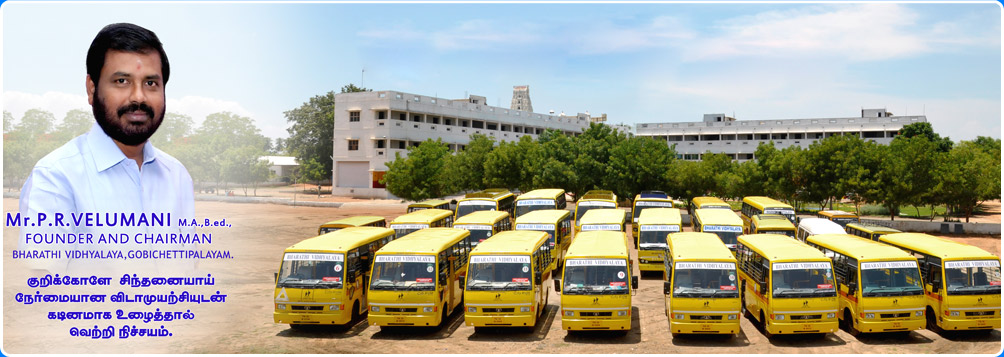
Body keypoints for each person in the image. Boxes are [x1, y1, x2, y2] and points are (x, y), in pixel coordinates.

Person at [18, 23, 195, 275]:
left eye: (151, 83)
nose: (139, 97)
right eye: (122, 81)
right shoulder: (55, 178)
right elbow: (44, 300)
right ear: (92, 89)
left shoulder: (177, 176)